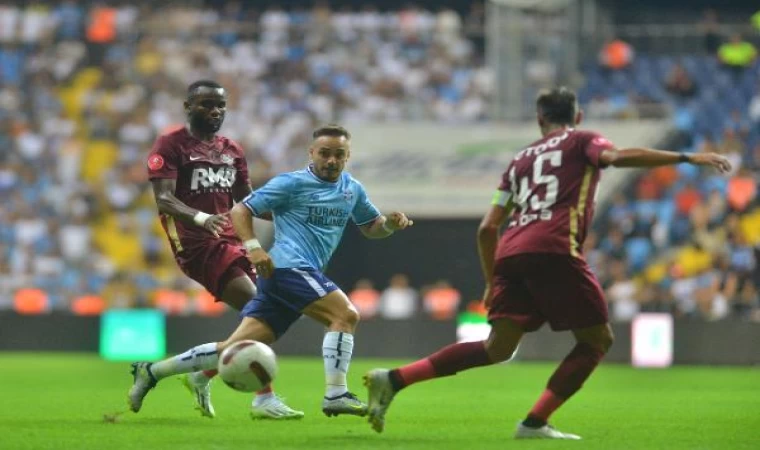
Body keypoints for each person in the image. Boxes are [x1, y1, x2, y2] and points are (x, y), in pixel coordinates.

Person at [363, 87, 731, 439]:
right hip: (554, 247)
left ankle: (394, 379)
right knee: (597, 340)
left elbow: (487, 228)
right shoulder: (583, 140)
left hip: (511, 252)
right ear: (578, 116)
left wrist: (492, 281)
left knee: (496, 348)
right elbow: (616, 157)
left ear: (540, 120)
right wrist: (687, 157)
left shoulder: (519, 161)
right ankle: (535, 421)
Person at [130, 124, 413, 418]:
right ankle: (336, 393)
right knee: (345, 315)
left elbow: (371, 227)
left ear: (347, 156)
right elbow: (241, 210)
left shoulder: (352, 189)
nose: (331, 160)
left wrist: (390, 225)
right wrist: (253, 247)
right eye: (325, 153)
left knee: (236, 345)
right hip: (288, 267)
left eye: (339, 154)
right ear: (312, 153)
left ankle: (153, 372)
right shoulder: (291, 183)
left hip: (284, 276)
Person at [145, 80, 301, 419]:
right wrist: (203, 218)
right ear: (188, 107)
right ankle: (263, 399)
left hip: (233, 241)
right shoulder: (170, 145)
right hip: (196, 244)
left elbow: (247, 201)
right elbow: (164, 199)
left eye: (220, 105)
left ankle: (186, 373)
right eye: (206, 104)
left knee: (273, 311)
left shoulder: (232, 150)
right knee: (260, 310)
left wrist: (291, 216)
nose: (215, 111)